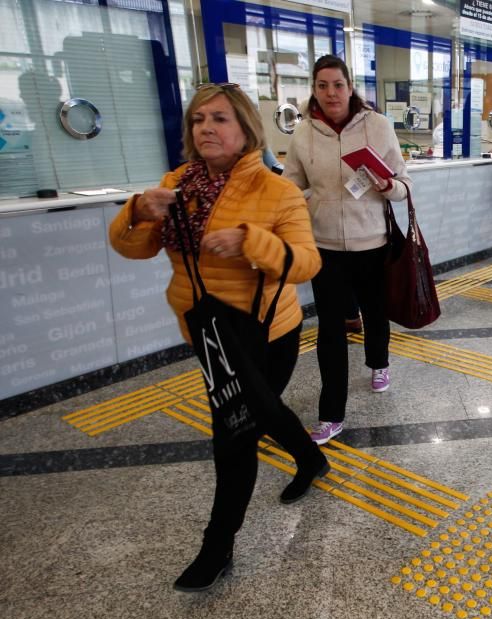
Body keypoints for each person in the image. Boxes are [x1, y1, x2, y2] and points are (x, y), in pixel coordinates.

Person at [108, 83, 327, 592]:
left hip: (266, 331)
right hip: (207, 331)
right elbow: (132, 250)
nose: (206, 128)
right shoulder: (175, 184)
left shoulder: (277, 191)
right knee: (260, 412)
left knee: (235, 432)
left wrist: (253, 242)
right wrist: (138, 211)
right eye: (198, 119)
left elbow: (307, 262)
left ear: (246, 128)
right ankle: (311, 457)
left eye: (220, 119)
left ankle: (217, 546)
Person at [283, 55, 412, 444]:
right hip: (324, 246)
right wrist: (306, 200)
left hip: (371, 241)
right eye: (322, 86)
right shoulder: (303, 133)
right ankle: (331, 413)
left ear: (350, 86)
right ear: (314, 90)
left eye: (337, 85)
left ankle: (379, 361)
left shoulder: (378, 126)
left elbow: (404, 184)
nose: (330, 93)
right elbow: (291, 185)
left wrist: (389, 188)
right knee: (330, 329)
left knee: (375, 312)